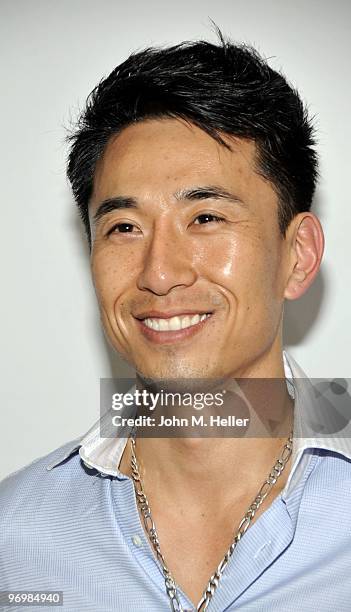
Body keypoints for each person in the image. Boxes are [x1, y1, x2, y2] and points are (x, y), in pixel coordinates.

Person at [1, 30, 350, 612]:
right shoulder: (15, 540)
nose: (159, 274)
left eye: (207, 217)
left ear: (299, 255)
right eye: (124, 227)